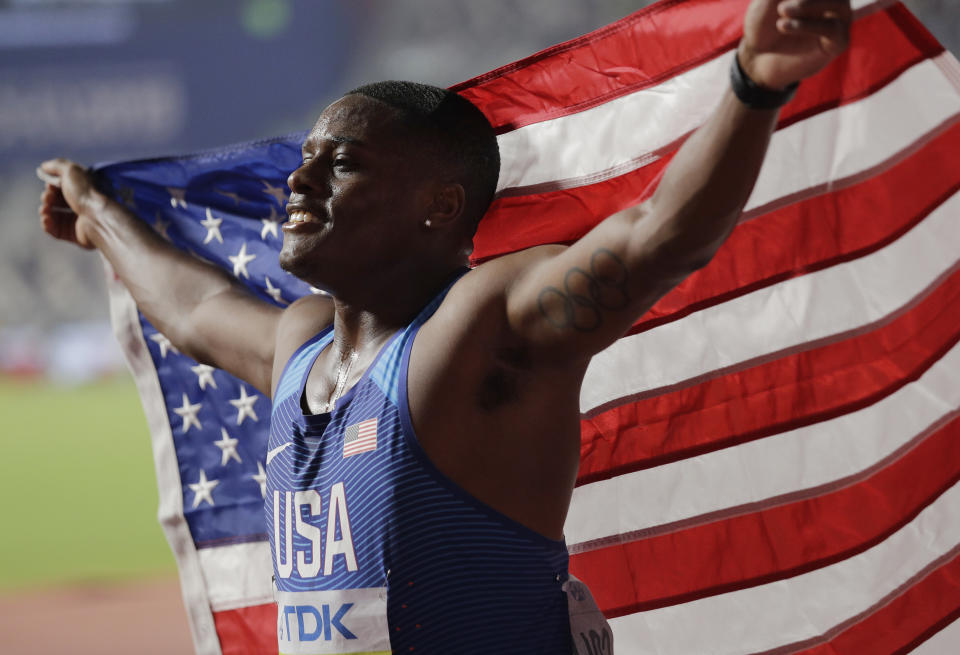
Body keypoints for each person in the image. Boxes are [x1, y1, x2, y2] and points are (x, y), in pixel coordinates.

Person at [38, 0, 852, 652]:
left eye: (342, 163)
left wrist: (753, 85)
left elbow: (655, 239)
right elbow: (190, 310)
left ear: (439, 206)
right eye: (308, 158)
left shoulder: (479, 329)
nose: (300, 180)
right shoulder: (302, 344)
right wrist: (96, 211)